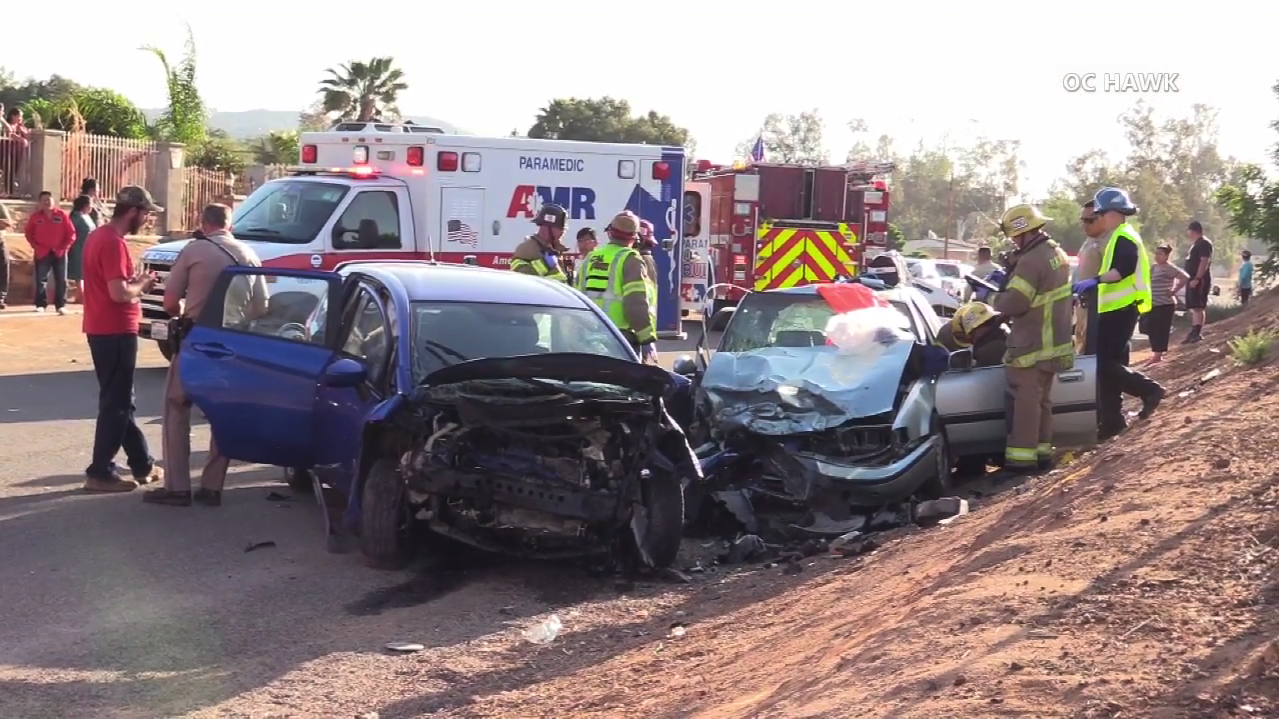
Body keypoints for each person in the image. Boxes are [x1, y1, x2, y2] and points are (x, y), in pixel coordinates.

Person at [145, 204, 269, 507]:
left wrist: (184, 312)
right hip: (233, 344)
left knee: (176, 407)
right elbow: (262, 308)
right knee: (222, 414)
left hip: (196, 339)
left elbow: (171, 301)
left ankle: (178, 486)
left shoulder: (194, 250)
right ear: (230, 226)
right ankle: (213, 486)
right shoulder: (250, 255)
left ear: (204, 223)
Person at [80, 186, 163, 492]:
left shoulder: (98, 236)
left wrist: (137, 284)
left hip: (100, 328)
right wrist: (141, 284)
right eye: (146, 213)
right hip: (115, 329)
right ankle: (100, 471)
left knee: (120, 401)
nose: (147, 219)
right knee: (116, 404)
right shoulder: (114, 244)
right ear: (132, 212)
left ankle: (143, 464)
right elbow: (119, 293)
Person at [1071, 187, 1164, 441]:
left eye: (1101, 213)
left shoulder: (1124, 236)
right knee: (1107, 366)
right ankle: (1112, 422)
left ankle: (1148, 389)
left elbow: (1120, 271)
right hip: (1114, 309)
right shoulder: (1117, 236)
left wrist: (1094, 281)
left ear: (1112, 212)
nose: (1099, 217)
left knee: (1101, 363)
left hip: (1122, 309)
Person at [988, 204, 1075, 475]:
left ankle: (1021, 463)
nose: (1014, 243)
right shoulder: (1055, 253)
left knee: (1025, 403)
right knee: (1042, 402)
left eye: (1015, 237)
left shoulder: (1030, 260)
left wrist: (990, 298)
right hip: (1053, 342)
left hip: (1031, 344)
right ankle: (1041, 455)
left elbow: (1015, 302)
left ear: (1023, 232)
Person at [578, 211, 657, 363]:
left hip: (589, 335)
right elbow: (636, 302)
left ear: (610, 233)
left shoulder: (590, 258)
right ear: (634, 237)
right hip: (620, 338)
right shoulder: (631, 259)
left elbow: (577, 295)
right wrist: (646, 338)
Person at [24, 190, 76, 314]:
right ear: (40, 203)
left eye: (49, 199)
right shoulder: (35, 217)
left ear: (53, 201)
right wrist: (36, 246)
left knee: (62, 279)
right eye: (44, 200)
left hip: (60, 252)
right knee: (41, 279)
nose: (47, 202)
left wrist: (64, 247)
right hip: (42, 252)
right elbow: (29, 233)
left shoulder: (62, 215)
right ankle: (41, 304)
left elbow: (71, 233)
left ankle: (61, 305)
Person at [1146, 244, 1189, 364]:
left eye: (1159, 254)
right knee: (1150, 328)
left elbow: (1184, 277)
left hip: (1165, 304)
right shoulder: (1154, 267)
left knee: (1161, 329)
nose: (1156, 256)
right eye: (1156, 253)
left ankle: (1158, 355)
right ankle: (1156, 352)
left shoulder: (1168, 268)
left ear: (1166, 256)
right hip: (1153, 303)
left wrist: (1174, 290)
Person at [509, 203, 569, 283]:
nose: (562, 232)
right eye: (559, 228)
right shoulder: (527, 249)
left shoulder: (555, 250)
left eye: (563, 229)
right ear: (546, 228)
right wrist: (544, 264)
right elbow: (520, 279)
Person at [937, 302, 1008, 368]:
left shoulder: (989, 351)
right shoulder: (1006, 337)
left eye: (972, 333)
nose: (971, 339)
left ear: (977, 329)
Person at [1074, 200, 1105, 353]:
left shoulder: (1110, 241)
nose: (1085, 225)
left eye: (1090, 220)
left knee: (1096, 354)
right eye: (1083, 220)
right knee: (1082, 348)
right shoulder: (1089, 240)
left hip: (1098, 307)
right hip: (1083, 304)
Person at [1182, 220, 1214, 344]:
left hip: (1199, 280)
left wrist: (1197, 278)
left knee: (1198, 306)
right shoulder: (1195, 244)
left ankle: (1197, 332)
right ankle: (1194, 330)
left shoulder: (1204, 243)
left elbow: (1204, 261)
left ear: (1193, 230)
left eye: (1188, 230)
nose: (1187, 233)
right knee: (1194, 306)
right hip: (1191, 279)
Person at [68, 194, 96, 303]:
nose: (91, 207)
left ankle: (83, 295)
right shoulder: (76, 217)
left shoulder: (87, 216)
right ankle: (80, 295)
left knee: (86, 272)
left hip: (89, 247)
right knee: (79, 273)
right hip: (79, 247)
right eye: (90, 205)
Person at [0, 203, 11, 309]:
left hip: (0, 242)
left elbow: (8, 223)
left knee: (3, 270)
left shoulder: (0, 206)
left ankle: (0, 298)